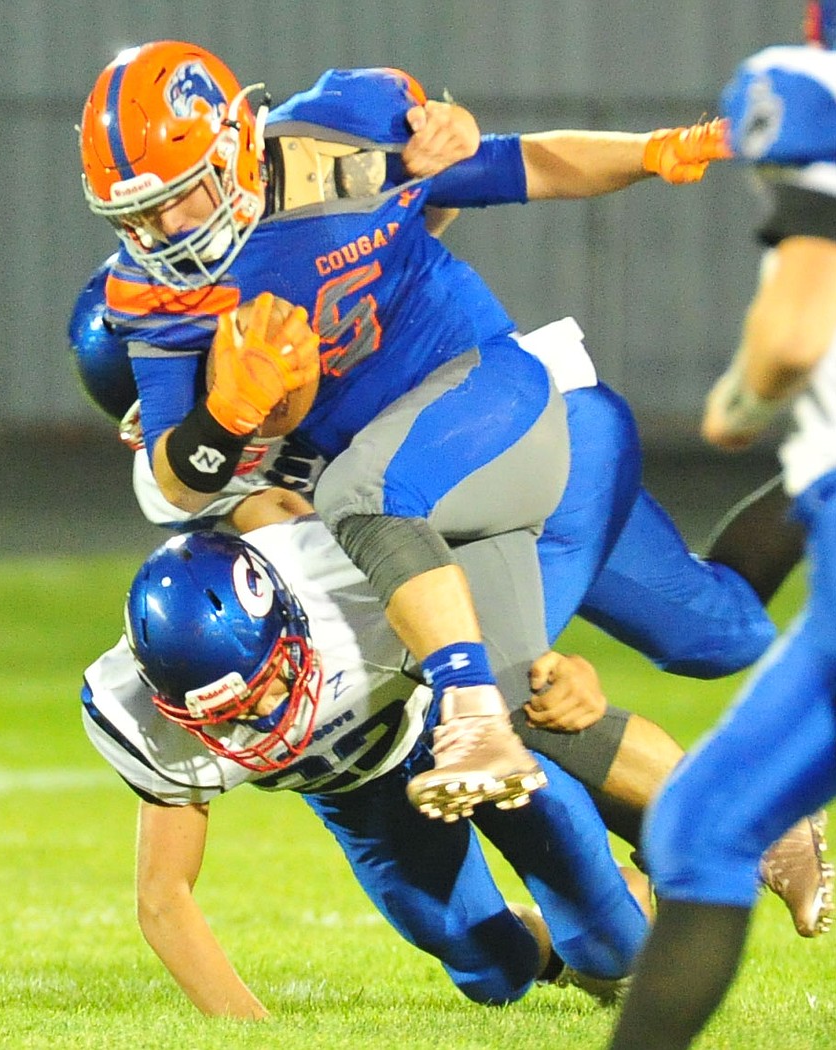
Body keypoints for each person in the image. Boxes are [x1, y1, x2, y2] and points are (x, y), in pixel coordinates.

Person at [71, 263, 832, 938]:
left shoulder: (287, 326)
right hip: (465, 536)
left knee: (501, 684)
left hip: (527, 455)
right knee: (718, 633)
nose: (210, 396)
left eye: (199, 375)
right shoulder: (188, 481)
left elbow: (395, 254)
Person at [77, 41, 732, 821]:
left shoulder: (336, 141)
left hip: (482, 400)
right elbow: (177, 475)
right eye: (136, 215)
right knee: (528, 691)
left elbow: (523, 167)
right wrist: (223, 416)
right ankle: (755, 829)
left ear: (235, 145)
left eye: (179, 196)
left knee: (364, 498)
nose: (162, 229)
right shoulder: (148, 287)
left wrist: (651, 152)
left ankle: (470, 713)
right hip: (411, 478)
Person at [82, 523, 653, 1018]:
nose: (263, 717)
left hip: (451, 725)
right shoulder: (136, 714)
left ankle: (647, 882)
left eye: (268, 684)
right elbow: (163, 895)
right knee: (494, 975)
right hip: (359, 796)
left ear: (290, 620)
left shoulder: (348, 580)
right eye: (227, 713)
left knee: (615, 952)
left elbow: (497, 597)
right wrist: (248, 1030)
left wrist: (562, 668)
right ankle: (554, 946)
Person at [608, 7, 836, 1047]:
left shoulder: (811, 97)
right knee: (703, 820)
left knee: (703, 825)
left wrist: (739, 403)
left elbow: (792, 331)